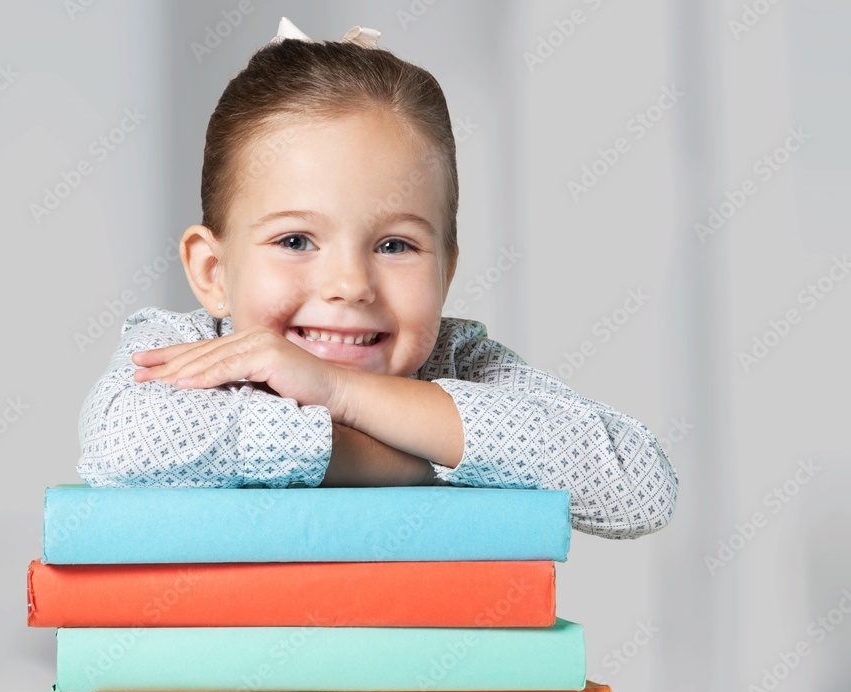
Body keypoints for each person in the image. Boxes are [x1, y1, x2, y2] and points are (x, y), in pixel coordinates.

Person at [76, 18, 678, 540]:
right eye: (295, 241)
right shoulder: (192, 350)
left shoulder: (456, 362)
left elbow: (640, 486)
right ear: (213, 272)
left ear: (446, 272)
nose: (350, 284)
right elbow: (123, 445)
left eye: (395, 245)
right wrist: (411, 456)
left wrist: (342, 393)